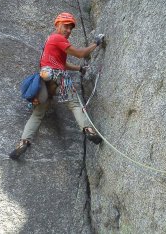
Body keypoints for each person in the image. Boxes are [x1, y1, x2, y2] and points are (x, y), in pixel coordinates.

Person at [9, 12, 104, 160]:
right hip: (57, 76)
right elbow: (80, 54)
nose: (69, 31)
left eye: (71, 28)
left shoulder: (50, 41)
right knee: (74, 104)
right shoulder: (57, 38)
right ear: (57, 25)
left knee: (38, 114)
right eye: (66, 26)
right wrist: (96, 43)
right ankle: (88, 129)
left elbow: (63, 63)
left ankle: (24, 142)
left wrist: (79, 69)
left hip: (45, 81)